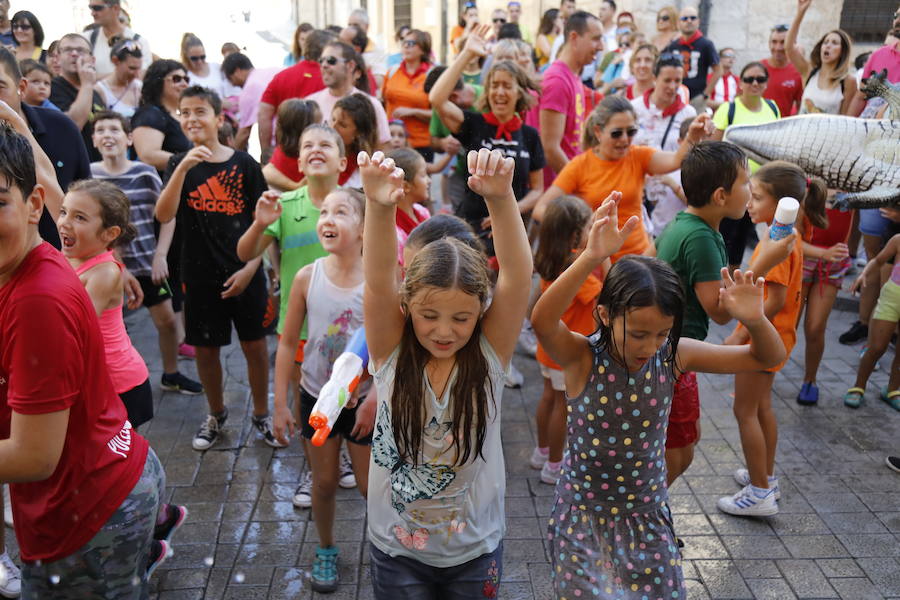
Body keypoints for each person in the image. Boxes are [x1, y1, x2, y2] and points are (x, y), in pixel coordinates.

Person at [531, 193, 785, 598]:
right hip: (584, 521)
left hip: (646, 517)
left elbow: (766, 356)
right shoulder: (582, 358)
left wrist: (754, 319)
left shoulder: (675, 355)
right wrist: (592, 256)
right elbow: (543, 321)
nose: (649, 346)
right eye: (638, 333)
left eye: (661, 333)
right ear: (604, 315)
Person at [0, 121, 172, 599]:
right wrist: (16, 125)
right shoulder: (40, 253)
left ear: (33, 207)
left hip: (92, 510)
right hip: (110, 470)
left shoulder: (40, 301)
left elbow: (34, 455)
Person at [360, 147, 532, 597]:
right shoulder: (391, 355)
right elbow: (378, 279)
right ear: (406, 306)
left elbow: (517, 275)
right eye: (428, 315)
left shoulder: (490, 359)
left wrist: (501, 197)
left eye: (461, 318)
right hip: (396, 551)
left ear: (482, 311)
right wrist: (379, 207)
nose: (443, 331)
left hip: (474, 550)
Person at [655, 142, 794, 486]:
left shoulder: (688, 224)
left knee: (684, 442)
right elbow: (719, 312)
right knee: (678, 450)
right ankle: (645, 512)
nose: (749, 190)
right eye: (746, 182)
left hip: (671, 351)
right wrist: (763, 263)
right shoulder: (701, 238)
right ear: (720, 195)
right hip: (672, 353)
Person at [154, 86, 281, 451]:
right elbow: (164, 215)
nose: (192, 119)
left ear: (218, 118)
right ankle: (217, 412)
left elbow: (266, 224)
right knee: (206, 351)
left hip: (245, 271)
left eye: (200, 111)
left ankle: (260, 413)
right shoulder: (178, 163)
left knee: (255, 346)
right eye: (185, 113)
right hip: (197, 275)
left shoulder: (244, 164)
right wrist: (184, 168)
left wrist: (250, 269)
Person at [271, 188, 375, 592]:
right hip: (316, 396)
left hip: (364, 402)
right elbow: (286, 342)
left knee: (370, 486)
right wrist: (279, 403)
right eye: (324, 212)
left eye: (342, 212)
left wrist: (377, 394)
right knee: (325, 482)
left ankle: (386, 548)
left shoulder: (380, 280)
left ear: (365, 228)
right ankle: (326, 548)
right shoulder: (306, 277)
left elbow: (394, 346)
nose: (328, 219)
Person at [237, 124, 344, 508]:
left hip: (351, 330)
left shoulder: (356, 206)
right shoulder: (284, 205)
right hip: (299, 329)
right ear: (298, 161)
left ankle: (341, 457)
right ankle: (314, 471)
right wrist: (260, 223)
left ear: (342, 161)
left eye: (325, 145)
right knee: (309, 403)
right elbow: (246, 252)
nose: (316, 149)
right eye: (308, 146)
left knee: (349, 396)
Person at [718, 160, 826, 517]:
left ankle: (760, 491)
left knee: (744, 410)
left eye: (758, 196)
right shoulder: (780, 234)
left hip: (763, 340)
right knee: (761, 407)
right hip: (776, 337)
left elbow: (773, 299)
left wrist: (740, 335)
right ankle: (763, 473)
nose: (749, 200)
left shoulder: (777, 241)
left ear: (781, 203)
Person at [89, 110, 202, 397]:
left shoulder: (144, 172)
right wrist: (117, 265)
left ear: (128, 138)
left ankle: (171, 373)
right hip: (106, 268)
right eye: (101, 130)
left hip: (147, 263)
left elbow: (168, 214)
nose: (107, 135)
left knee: (165, 321)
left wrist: (160, 255)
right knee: (107, 327)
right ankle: (109, 382)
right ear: (93, 139)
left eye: (114, 129)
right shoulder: (90, 176)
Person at [534, 96, 712, 263]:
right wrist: (583, 225)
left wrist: (692, 137)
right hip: (598, 264)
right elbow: (541, 209)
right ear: (598, 131)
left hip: (639, 259)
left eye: (631, 131)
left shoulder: (638, 155)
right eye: (617, 133)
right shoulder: (579, 165)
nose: (625, 140)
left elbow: (675, 160)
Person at [430, 24, 545, 249]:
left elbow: (537, 189)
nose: (499, 92)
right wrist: (467, 53)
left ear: (519, 92)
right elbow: (437, 100)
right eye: (494, 85)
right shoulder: (474, 124)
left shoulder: (530, 135)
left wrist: (509, 211)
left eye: (506, 86)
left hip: (510, 229)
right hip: (470, 230)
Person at [56, 179, 154, 428]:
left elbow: (72, 329)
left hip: (120, 386)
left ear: (109, 234)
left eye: (80, 218)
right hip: (95, 382)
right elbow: (46, 177)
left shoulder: (104, 273)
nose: (65, 222)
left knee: (119, 462)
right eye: (64, 211)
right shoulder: (68, 255)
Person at [530, 196, 600, 486]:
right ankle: (555, 464)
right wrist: (602, 256)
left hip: (548, 350)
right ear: (575, 235)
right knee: (564, 405)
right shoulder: (577, 270)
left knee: (549, 397)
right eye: (590, 227)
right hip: (567, 351)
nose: (593, 231)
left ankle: (541, 451)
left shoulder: (551, 259)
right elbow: (603, 299)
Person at [0, 48, 88, 250]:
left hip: (58, 260)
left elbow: (87, 206)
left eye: (0, 87)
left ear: (21, 87)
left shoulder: (62, 128)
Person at [712, 62, 781, 272]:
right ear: (740, 83)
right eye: (749, 79)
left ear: (766, 83)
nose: (754, 83)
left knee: (743, 235)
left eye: (760, 79)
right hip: (732, 184)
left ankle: (733, 279)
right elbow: (715, 148)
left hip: (761, 185)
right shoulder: (728, 109)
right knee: (724, 234)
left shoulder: (772, 107)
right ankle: (715, 277)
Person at [794, 196, 853, 406]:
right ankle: (767, 369)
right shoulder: (807, 191)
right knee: (789, 324)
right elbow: (791, 238)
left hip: (832, 265)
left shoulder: (853, 194)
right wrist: (823, 252)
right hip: (802, 261)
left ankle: (810, 380)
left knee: (815, 327)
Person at [631, 53, 697, 236]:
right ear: (654, 78)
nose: (673, 86)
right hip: (638, 193)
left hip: (672, 200)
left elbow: (692, 156)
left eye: (678, 80)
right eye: (667, 80)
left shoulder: (688, 113)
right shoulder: (634, 108)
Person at [539, 11, 604, 184]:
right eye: (596, 39)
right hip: (557, 191)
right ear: (574, 38)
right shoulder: (557, 80)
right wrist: (580, 187)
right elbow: (550, 149)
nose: (601, 46)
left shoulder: (573, 76)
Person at [845, 232, 900, 410]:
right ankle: (858, 386)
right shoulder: (898, 239)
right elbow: (878, 261)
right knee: (876, 347)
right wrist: (864, 274)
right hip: (892, 299)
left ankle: (892, 390)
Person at [258, 29, 329, 163]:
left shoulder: (281, 77)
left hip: (285, 155)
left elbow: (264, 115)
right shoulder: (331, 80)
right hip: (319, 157)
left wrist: (266, 150)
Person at [308, 41, 390, 150]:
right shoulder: (311, 103)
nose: (324, 65)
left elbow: (384, 147)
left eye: (331, 61)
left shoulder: (371, 105)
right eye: (321, 61)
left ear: (350, 65)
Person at [786, 0, 857, 115]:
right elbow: (789, 48)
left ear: (843, 51)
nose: (828, 46)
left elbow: (845, 119)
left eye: (834, 43)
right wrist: (800, 12)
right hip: (801, 132)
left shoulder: (848, 82)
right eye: (825, 42)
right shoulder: (809, 71)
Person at [49, 33, 107, 162]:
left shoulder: (96, 93)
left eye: (81, 50)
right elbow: (74, 125)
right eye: (68, 50)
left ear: (92, 60)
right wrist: (86, 83)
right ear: (57, 58)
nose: (74, 54)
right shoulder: (51, 88)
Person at [131, 60, 191, 175]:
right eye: (177, 79)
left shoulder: (182, 115)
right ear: (158, 82)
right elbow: (148, 155)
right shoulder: (150, 114)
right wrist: (192, 162)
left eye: (186, 79)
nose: (184, 84)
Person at [383, 29, 433, 161]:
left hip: (420, 145)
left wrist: (412, 111)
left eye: (410, 43)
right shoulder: (392, 72)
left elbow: (438, 114)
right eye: (403, 42)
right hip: (392, 144)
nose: (405, 46)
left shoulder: (430, 76)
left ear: (422, 49)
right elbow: (383, 102)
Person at [664, 5, 721, 113]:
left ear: (698, 21)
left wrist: (705, 94)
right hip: (675, 96)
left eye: (693, 18)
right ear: (678, 23)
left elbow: (718, 70)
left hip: (697, 98)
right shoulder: (673, 45)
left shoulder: (706, 44)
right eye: (684, 19)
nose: (689, 21)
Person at [222, 52, 279, 151]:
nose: (234, 84)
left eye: (231, 79)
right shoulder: (273, 71)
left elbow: (244, 133)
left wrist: (231, 158)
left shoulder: (249, 89)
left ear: (237, 71)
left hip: (279, 141)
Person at [262, 99, 321, 191]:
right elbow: (267, 172)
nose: (323, 128)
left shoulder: (284, 150)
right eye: (318, 125)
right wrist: (295, 186)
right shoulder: (285, 153)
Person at [386, 147, 432, 261]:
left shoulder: (422, 212)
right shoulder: (393, 232)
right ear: (405, 186)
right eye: (423, 175)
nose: (429, 180)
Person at [87, 0, 152, 78]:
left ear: (115, 8)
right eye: (91, 8)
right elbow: (81, 77)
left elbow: (141, 76)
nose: (93, 13)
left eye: (98, 8)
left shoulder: (139, 41)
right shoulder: (87, 39)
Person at [331, 93, 379, 187]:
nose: (332, 127)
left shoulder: (365, 170)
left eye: (342, 125)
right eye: (333, 119)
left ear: (359, 133)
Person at [762, 24, 804, 117]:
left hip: (783, 128)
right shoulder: (757, 69)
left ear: (792, 44)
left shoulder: (798, 72)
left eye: (783, 42)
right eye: (774, 42)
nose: (778, 47)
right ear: (769, 43)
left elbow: (801, 107)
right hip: (757, 126)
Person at [95, 39, 143, 119]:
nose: (137, 74)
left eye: (139, 69)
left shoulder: (140, 87)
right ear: (115, 61)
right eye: (132, 68)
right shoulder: (100, 90)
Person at [347, 8, 387, 92]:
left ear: (366, 27)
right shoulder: (344, 48)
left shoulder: (377, 51)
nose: (351, 28)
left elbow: (379, 81)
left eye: (355, 25)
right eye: (349, 25)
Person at [180, 33, 229, 102]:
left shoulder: (216, 67)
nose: (199, 61)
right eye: (194, 58)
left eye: (202, 57)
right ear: (186, 57)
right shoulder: (184, 75)